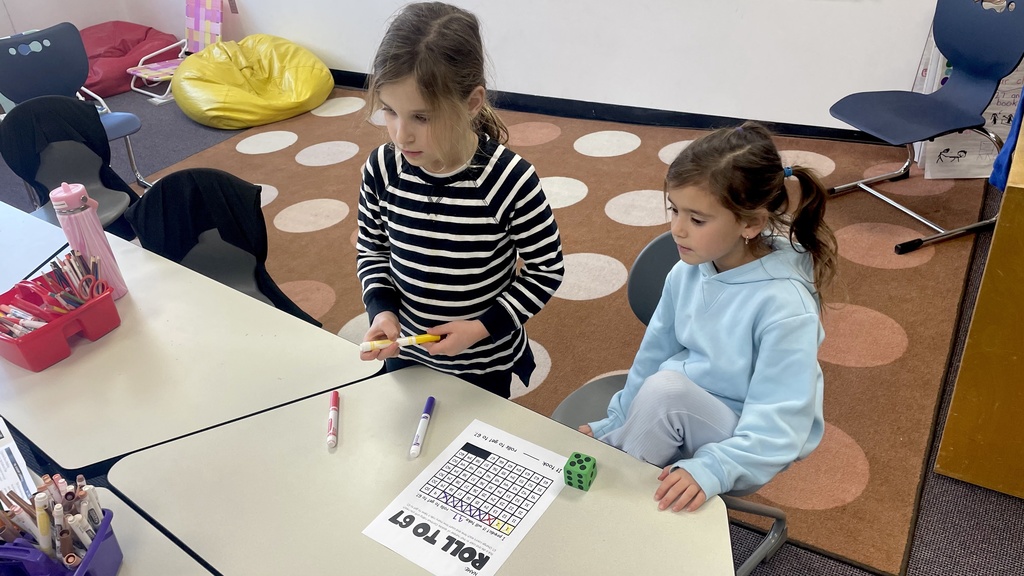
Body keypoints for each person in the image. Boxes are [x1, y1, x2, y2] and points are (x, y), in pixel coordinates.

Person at [580, 121, 838, 512]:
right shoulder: (687, 268)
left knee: (665, 393)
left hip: (744, 436)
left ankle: (613, 511)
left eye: (697, 220)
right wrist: (616, 420)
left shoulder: (786, 306)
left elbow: (780, 425)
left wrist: (715, 468)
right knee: (662, 386)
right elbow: (653, 354)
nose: (677, 230)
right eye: (674, 210)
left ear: (750, 224)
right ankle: (619, 467)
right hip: (680, 405)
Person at [356, 2, 564, 399]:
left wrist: (481, 327)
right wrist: (381, 308)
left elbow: (545, 270)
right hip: (408, 353)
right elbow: (372, 249)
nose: (401, 136)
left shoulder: (509, 179)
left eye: (422, 117)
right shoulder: (382, 168)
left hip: (482, 362)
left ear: (471, 103)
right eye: (389, 111)